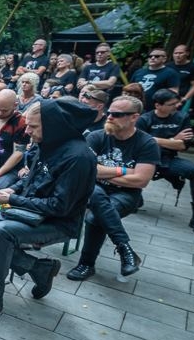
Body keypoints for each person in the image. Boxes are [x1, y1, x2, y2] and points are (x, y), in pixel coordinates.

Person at [0, 100, 97, 325]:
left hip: (59, 222)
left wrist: (11, 199)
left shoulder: (78, 157)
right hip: (28, 210)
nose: (27, 131)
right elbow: (30, 179)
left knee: (0, 232)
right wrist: (12, 189)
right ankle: (39, 268)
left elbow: (60, 207)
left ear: (55, 125)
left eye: (33, 126)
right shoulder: (46, 144)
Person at [67, 95, 159, 282]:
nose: (109, 117)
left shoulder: (147, 143)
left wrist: (102, 172)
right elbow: (86, 172)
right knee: (95, 192)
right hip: (92, 190)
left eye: (117, 114)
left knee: (95, 217)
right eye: (109, 112)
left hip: (125, 195)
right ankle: (125, 249)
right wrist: (124, 171)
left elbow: (141, 181)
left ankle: (86, 264)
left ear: (134, 117)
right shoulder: (96, 137)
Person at [136, 89, 194, 235]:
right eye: (171, 104)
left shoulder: (182, 118)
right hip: (146, 160)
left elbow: (183, 146)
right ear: (158, 105)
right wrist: (173, 140)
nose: (176, 106)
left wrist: (156, 140)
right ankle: (134, 196)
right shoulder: (144, 119)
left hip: (168, 159)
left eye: (177, 103)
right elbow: (142, 144)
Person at [0, 89, 28, 188]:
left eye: (4, 110)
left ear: (15, 105)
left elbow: (18, 154)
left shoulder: (21, 123)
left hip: (10, 168)